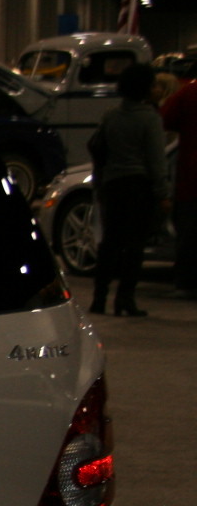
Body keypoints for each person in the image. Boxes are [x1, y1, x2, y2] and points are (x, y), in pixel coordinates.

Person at [87, 62, 171, 317]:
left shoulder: (111, 115)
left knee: (110, 243)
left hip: (113, 185)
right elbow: (157, 160)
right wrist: (163, 193)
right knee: (134, 246)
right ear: (144, 88)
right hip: (138, 187)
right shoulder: (150, 118)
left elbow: (98, 147)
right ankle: (125, 299)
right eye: (154, 84)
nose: (158, 89)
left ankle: (99, 298)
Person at [159, 71, 197, 299]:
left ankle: (187, 281)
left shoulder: (189, 93)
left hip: (191, 178)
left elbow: (166, 118)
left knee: (190, 232)